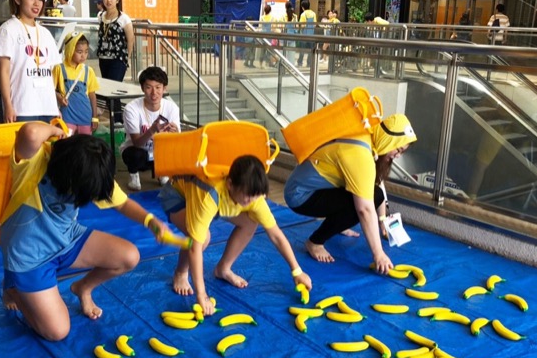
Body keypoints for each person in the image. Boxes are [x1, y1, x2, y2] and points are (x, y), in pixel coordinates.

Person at [0, 121, 169, 341]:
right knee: (57, 332)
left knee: (129, 256)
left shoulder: (91, 172)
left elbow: (123, 204)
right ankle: (13, 289)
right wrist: (56, 131)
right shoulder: (34, 163)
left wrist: (150, 221)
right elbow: (30, 133)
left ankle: (83, 288)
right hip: (29, 256)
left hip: (67, 238)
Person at [160, 155, 312, 315]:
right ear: (230, 184)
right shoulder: (209, 196)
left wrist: (297, 271)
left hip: (217, 202)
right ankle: (180, 273)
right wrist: (201, 295)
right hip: (178, 197)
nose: (251, 201)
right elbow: (194, 247)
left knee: (250, 222)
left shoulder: (253, 198)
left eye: (256, 197)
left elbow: (276, 236)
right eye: (248, 197)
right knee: (202, 238)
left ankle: (223, 269)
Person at [283, 114, 417, 271]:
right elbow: (364, 210)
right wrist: (379, 254)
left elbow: (376, 185)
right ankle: (315, 242)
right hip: (299, 196)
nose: (398, 155)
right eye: (398, 149)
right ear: (390, 140)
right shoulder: (360, 156)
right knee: (359, 206)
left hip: (311, 187)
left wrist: (382, 220)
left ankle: (338, 223)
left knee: (374, 195)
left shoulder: (368, 136)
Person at [0, 0, 63, 123]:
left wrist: (54, 106)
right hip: (22, 107)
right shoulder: (8, 29)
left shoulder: (45, 33)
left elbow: (50, 73)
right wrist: (8, 105)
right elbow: (4, 71)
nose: (37, 3)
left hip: (47, 107)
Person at [120, 66, 180, 191]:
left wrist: (175, 133)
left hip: (160, 153)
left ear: (164, 88)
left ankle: (162, 172)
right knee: (135, 154)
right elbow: (137, 143)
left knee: (178, 149)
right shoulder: (131, 108)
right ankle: (133, 175)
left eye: (158, 87)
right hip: (139, 152)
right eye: (149, 87)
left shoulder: (172, 108)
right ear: (142, 88)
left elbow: (177, 140)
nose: (154, 93)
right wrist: (152, 130)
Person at [53, 32, 98, 135]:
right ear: (70, 50)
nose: (83, 55)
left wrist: (94, 117)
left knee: (85, 143)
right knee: (67, 142)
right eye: (79, 52)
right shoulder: (59, 69)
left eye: (86, 52)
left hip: (85, 116)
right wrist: (59, 97)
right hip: (67, 117)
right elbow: (50, 90)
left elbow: (92, 96)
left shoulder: (88, 71)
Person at [97, 0, 134, 81]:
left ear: (117, 0)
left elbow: (130, 40)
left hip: (118, 58)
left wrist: (127, 58)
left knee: (114, 86)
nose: (108, 0)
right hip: (103, 57)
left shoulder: (123, 18)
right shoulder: (100, 16)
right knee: (107, 86)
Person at [297, 0, 317, 67]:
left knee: (302, 49)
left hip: (304, 35)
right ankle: (309, 63)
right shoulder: (313, 13)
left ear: (303, 7)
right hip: (311, 34)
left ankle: (300, 62)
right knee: (311, 50)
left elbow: (302, 25)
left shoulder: (303, 14)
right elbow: (314, 24)